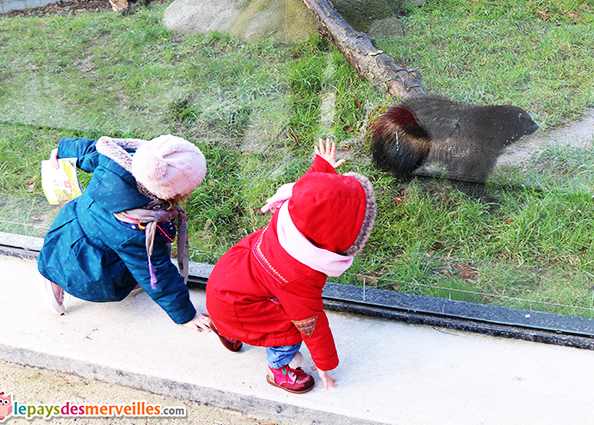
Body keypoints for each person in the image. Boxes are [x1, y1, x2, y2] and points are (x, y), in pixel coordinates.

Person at [206, 139, 375, 394]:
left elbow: (309, 197)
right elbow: (311, 322)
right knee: (292, 324)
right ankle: (279, 368)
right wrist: (325, 364)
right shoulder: (299, 276)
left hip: (226, 284)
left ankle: (226, 327)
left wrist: (323, 169)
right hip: (237, 305)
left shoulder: (290, 219)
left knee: (257, 305)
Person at [37, 135, 211, 332]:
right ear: (171, 192)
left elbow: (88, 150)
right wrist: (186, 315)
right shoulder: (137, 229)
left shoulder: (116, 162)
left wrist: (62, 150)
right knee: (138, 270)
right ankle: (58, 279)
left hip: (64, 235)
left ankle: (54, 271)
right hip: (91, 272)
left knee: (91, 247)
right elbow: (157, 274)